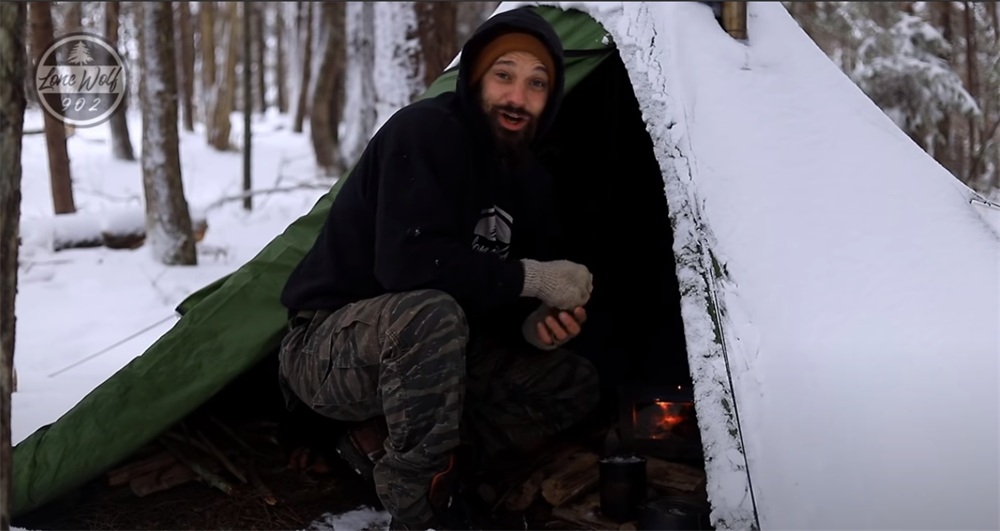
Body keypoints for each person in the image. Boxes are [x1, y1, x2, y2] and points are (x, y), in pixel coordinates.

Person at [277, 7, 601, 529]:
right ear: (474, 78)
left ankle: (390, 448)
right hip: (329, 350)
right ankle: (421, 506)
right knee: (431, 313)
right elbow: (408, 267)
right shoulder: (426, 131)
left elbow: (487, 292)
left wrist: (532, 327)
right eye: (504, 75)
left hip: (439, 347)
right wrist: (534, 277)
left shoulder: (531, 182)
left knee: (572, 382)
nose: (518, 97)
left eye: (536, 83)